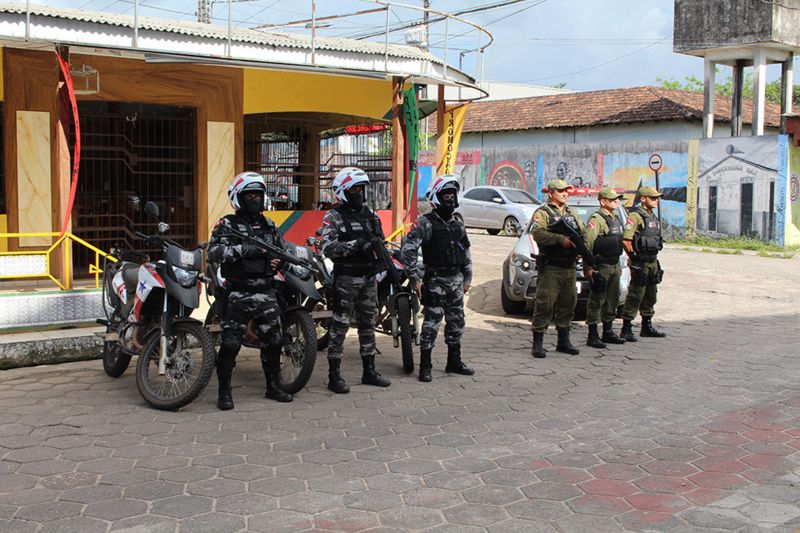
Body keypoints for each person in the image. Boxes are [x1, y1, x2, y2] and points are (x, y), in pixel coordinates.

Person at [208, 172, 293, 409]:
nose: (255, 199)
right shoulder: (227, 224)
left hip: (266, 292)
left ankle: (273, 387)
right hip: (238, 293)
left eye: (258, 194)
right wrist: (244, 250)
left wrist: (280, 262)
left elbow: (282, 251)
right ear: (238, 197)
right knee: (231, 344)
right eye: (249, 195)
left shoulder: (269, 225)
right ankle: (224, 392)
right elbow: (214, 253)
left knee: (275, 340)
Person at [320, 167, 391, 394]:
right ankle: (334, 376)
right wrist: (356, 245)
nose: (359, 194)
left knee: (368, 325)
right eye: (354, 190)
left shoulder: (371, 216)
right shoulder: (333, 217)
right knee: (340, 325)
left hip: (368, 278)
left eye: (362, 189)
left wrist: (382, 262)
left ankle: (369, 371)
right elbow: (328, 248)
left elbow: (381, 243)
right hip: (346, 278)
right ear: (342, 192)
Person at [401, 175, 474, 382]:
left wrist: (468, 277)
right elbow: (408, 251)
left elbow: (466, 250)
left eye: (453, 195)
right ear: (437, 198)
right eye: (447, 196)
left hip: (456, 281)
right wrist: (414, 279)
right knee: (431, 324)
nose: (451, 200)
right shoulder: (425, 223)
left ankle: (454, 361)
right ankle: (425, 366)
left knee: (457, 322)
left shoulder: (458, 222)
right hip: (435, 282)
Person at [530, 179, 587, 358]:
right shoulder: (543, 212)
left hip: (570, 267)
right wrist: (560, 240)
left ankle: (563, 341)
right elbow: (537, 233)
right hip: (551, 267)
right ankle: (538, 343)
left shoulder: (571, 213)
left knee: (568, 303)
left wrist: (580, 248)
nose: (565, 193)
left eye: (566, 191)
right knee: (545, 304)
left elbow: (583, 232)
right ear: (551, 193)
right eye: (561, 191)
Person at [620, 185, 667, 341]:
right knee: (635, 294)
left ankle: (647, 325)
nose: (656, 200)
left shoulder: (652, 216)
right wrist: (633, 257)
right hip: (640, 262)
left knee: (651, 294)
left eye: (657, 198)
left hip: (653, 261)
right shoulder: (636, 216)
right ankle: (626, 328)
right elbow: (626, 240)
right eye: (653, 198)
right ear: (643, 199)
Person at [583, 188, 627, 348]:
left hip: (614, 264)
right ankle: (592, 335)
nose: (616, 201)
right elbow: (587, 243)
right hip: (601, 266)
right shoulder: (597, 219)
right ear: (603, 202)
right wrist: (588, 268)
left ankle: (608, 331)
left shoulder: (615, 218)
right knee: (597, 300)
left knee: (612, 299)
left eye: (617, 199)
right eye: (612, 199)